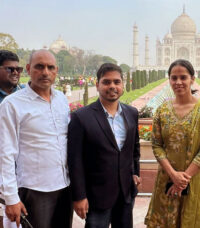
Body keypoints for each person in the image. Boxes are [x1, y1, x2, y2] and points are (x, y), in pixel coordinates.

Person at [145, 59, 200, 228]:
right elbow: (156, 145)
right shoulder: (162, 110)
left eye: (183, 77)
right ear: (169, 80)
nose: (178, 82)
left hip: (197, 179)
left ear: (192, 79)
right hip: (168, 177)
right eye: (174, 78)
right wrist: (173, 175)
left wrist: (183, 179)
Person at [0, 50, 73, 228]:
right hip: (33, 189)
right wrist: (10, 198)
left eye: (50, 67)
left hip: (64, 186)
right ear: (28, 69)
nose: (45, 72)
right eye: (39, 67)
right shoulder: (12, 105)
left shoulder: (61, 100)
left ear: (56, 70)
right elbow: (5, 153)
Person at [67, 63, 140, 228]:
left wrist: (135, 172)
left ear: (123, 84)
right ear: (97, 84)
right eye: (107, 82)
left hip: (125, 194)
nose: (112, 86)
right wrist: (79, 196)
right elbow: (75, 160)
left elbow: (134, 148)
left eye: (117, 82)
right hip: (96, 195)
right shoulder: (81, 117)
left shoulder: (131, 113)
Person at [0, 50, 24, 228]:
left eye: (19, 69)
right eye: (10, 69)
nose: (16, 73)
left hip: (22, 170)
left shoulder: (26, 95)